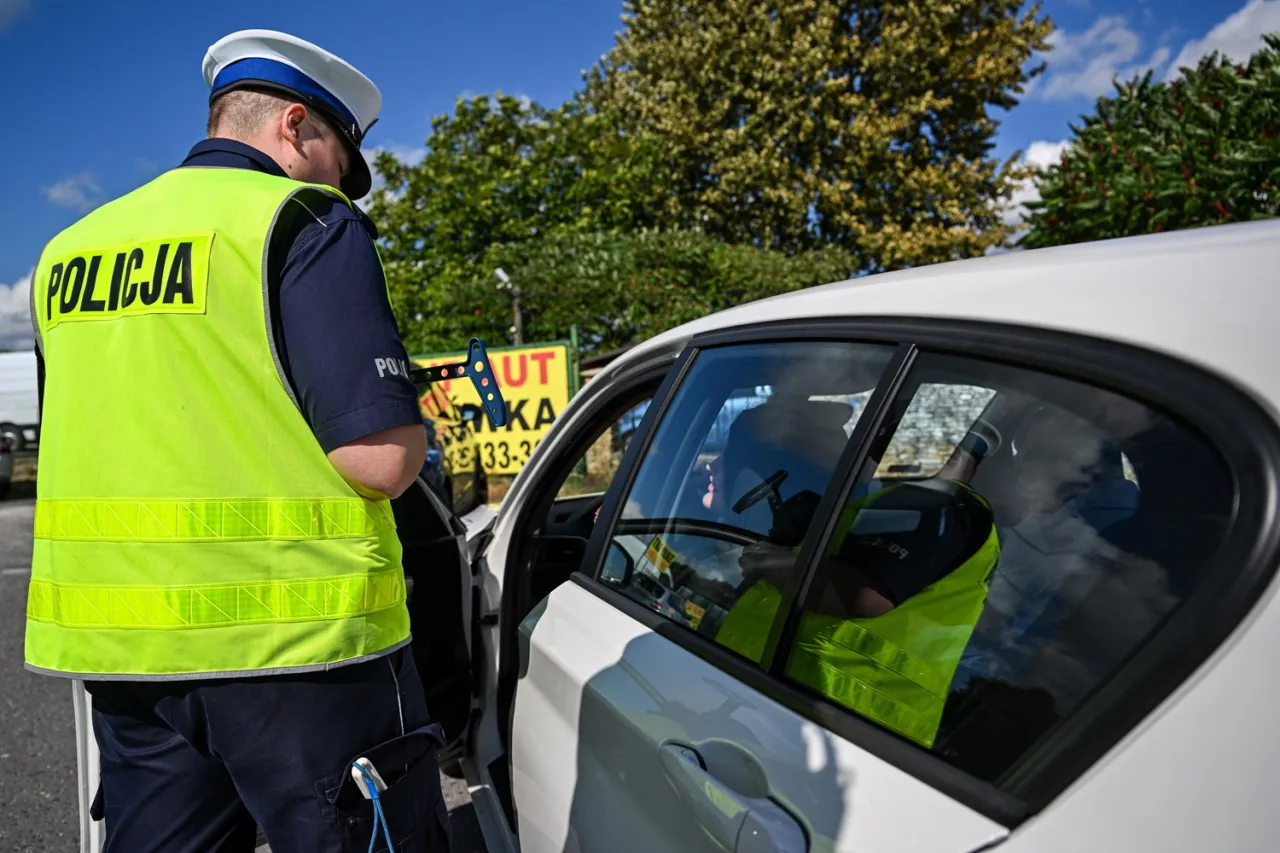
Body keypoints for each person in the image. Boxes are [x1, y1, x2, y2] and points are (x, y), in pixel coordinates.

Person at [25, 30, 450, 852]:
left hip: (129, 660)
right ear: (295, 125)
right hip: (307, 655)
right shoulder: (302, 221)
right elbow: (380, 459)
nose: (342, 186)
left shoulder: (68, 253)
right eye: (338, 157)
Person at [715, 423, 1001, 748]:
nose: (880, 450)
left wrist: (766, 562)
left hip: (818, 708)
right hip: (848, 720)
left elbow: (862, 596)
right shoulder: (951, 514)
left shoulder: (931, 502)